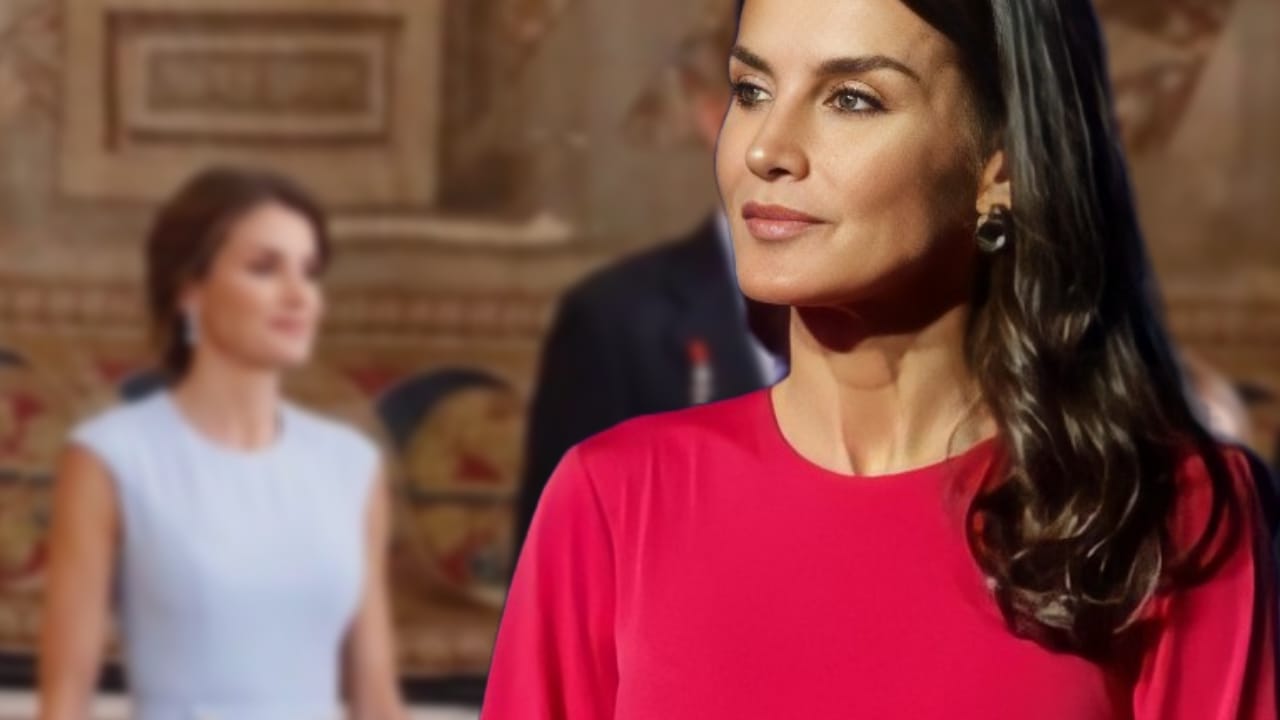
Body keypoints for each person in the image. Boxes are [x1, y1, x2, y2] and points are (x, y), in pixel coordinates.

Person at [481, 0, 1278, 718]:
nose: (766, 149)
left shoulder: (1169, 516)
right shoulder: (613, 504)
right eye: (752, 90)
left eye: (851, 99)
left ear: (1001, 168)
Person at [38, 168, 408, 720]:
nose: (298, 296)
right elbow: (64, 706)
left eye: (309, 272)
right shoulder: (111, 458)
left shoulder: (351, 466)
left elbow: (376, 699)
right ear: (190, 290)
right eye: (264, 268)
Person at [514, 5, 787, 555]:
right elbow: (559, 570)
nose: (797, 144)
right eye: (760, 96)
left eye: (847, 103)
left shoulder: (920, 318)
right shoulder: (613, 322)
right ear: (712, 113)